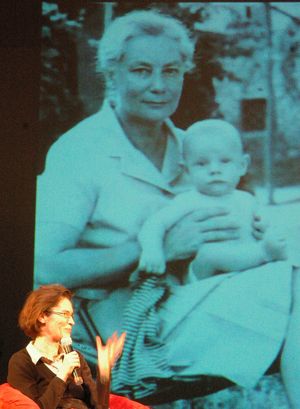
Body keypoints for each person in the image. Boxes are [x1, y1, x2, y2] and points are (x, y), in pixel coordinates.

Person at [34, 9, 300, 409]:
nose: (159, 86)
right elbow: (45, 268)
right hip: (120, 331)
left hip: (188, 302)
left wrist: (253, 231)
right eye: (142, 71)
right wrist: (153, 250)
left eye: (171, 71)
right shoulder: (81, 152)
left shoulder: (191, 151)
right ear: (113, 73)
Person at [138, 119, 287, 279]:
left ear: (242, 165)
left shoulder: (247, 200)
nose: (214, 170)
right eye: (201, 164)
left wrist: (265, 228)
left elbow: (266, 226)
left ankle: (264, 257)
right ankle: (264, 253)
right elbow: (154, 224)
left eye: (224, 161)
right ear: (187, 170)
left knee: (277, 241)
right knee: (209, 253)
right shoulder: (188, 201)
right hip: (204, 274)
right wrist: (152, 251)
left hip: (247, 271)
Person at [7, 284, 126, 409]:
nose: (72, 322)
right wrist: (63, 374)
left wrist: (104, 374)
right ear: (42, 316)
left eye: (72, 316)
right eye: (65, 314)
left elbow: (100, 407)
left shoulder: (76, 358)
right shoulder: (21, 362)